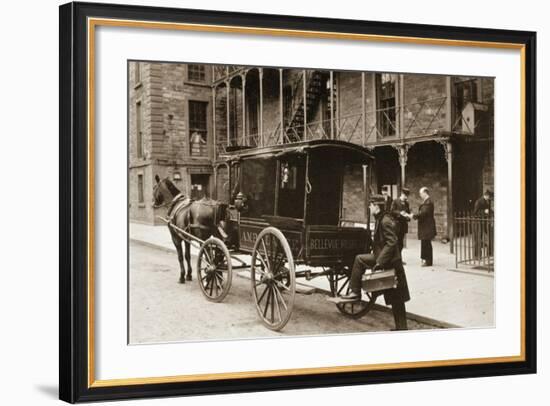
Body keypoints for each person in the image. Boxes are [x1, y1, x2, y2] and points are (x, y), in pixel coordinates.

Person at [340, 194, 410, 330]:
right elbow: (381, 241)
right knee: (397, 299)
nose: (369, 207)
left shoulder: (384, 221)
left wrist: (379, 263)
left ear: (377, 206)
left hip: (391, 263)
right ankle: (401, 329)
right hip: (389, 261)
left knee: (359, 259)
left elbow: (392, 242)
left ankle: (355, 292)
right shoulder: (381, 218)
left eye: (371, 205)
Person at [410, 186, 436, 267]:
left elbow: (423, 213)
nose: (420, 195)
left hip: (427, 226)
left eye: (420, 193)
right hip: (426, 226)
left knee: (426, 243)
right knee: (425, 242)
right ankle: (426, 260)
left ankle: (428, 261)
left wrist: (413, 216)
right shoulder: (427, 201)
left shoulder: (428, 202)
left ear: (425, 193)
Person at [390, 187, 411, 260]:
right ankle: (395, 259)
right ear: (402, 194)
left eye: (407, 196)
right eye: (405, 195)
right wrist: (399, 213)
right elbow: (392, 211)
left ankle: (399, 258)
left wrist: (408, 217)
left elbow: (408, 212)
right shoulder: (395, 201)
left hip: (403, 225)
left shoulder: (406, 203)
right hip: (397, 225)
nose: (406, 197)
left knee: (401, 243)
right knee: (396, 242)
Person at [473, 189, 494, 258]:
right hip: (478, 223)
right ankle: (477, 255)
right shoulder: (479, 201)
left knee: (489, 236)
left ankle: (489, 253)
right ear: (486, 195)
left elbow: (489, 210)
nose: (490, 198)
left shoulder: (487, 201)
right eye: (489, 197)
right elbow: (475, 213)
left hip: (485, 222)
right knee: (478, 238)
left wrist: (493, 212)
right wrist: (484, 211)